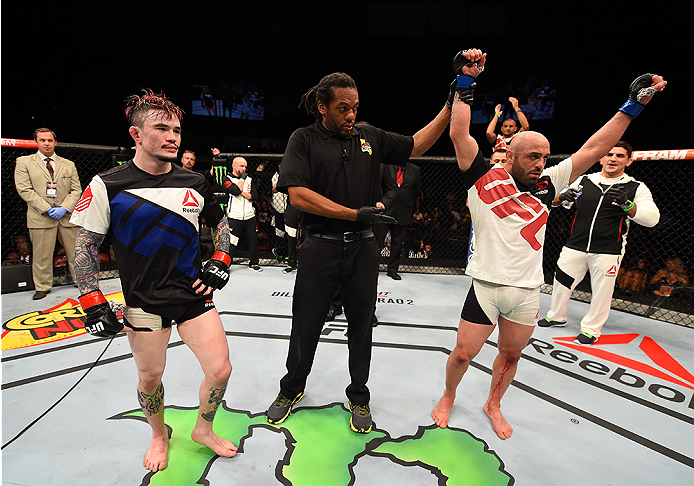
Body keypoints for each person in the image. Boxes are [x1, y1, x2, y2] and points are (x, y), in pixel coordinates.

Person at [431, 48, 666, 439]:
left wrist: (632, 105)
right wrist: (466, 82)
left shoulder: (548, 184)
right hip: (487, 285)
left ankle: (494, 403)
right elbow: (459, 132)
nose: (541, 163)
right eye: (533, 157)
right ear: (512, 157)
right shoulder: (483, 176)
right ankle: (448, 395)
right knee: (462, 354)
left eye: (544, 156)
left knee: (510, 354)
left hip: (526, 289)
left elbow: (592, 148)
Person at [266, 71, 453, 434]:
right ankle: (291, 389)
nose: (350, 115)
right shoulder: (303, 139)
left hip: (363, 250)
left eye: (354, 107)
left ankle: (359, 395)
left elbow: (416, 146)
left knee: (361, 326)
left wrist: (451, 103)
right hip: (320, 246)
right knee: (306, 324)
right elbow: (299, 195)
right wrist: (352, 214)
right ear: (322, 107)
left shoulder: (370, 137)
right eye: (342, 108)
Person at [70, 89, 237, 472]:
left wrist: (221, 257)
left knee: (220, 370)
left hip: (192, 294)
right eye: (161, 128)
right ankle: (159, 435)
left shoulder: (194, 180)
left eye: (176, 129)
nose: (172, 137)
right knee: (150, 378)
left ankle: (203, 429)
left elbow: (221, 223)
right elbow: (85, 246)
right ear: (136, 135)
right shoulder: (107, 184)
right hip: (143, 301)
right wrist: (91, 300)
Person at [538, 141, 660, 344]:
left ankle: (591, 330)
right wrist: (562, 196)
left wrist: (627, 204)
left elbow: (652, 219)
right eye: (609, 154)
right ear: (601, 158)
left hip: (608, 249)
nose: (613, 159)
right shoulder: (585, 181)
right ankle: (557, 316)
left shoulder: (635, 187)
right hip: (575, 244)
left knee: (602, 291)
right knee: (561, 282)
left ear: (629, 161)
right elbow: (555, 202)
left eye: (620, 156)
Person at [14, 128, 82, 299]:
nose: (46, 143)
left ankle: (81, 281)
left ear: (55, 142)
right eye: (42, 140)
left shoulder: (68, 164)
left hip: (66, 216)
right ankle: (43, 286)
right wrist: (46, 208)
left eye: (49, 140)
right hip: (41, 216)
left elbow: (76, 190)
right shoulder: (24, 162)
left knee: (75, 252)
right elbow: (24, 189)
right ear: (36, 142)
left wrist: (64, 208)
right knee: (41, 255)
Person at [373, 161, 422, 280]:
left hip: (404, 211)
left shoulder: (415, 170)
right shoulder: (385, 166)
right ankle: (373, 268)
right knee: (376, 241)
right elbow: (378, 185)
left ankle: (393, 269)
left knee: (398, 243)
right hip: (385, 210)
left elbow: (416, 191)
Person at [220, 156, 263, 271]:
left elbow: (254, 195)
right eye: (241, 166)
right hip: (235, 215)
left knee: (253, 240)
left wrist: (241, 192)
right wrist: (241, 182)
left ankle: (254, 263)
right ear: (234, 166)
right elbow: (234, 191)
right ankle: (225, 264)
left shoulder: (249, 179)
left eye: (245, 167)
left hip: (249, 215)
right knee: (232, 242)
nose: (244, 169)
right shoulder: (226, 178)